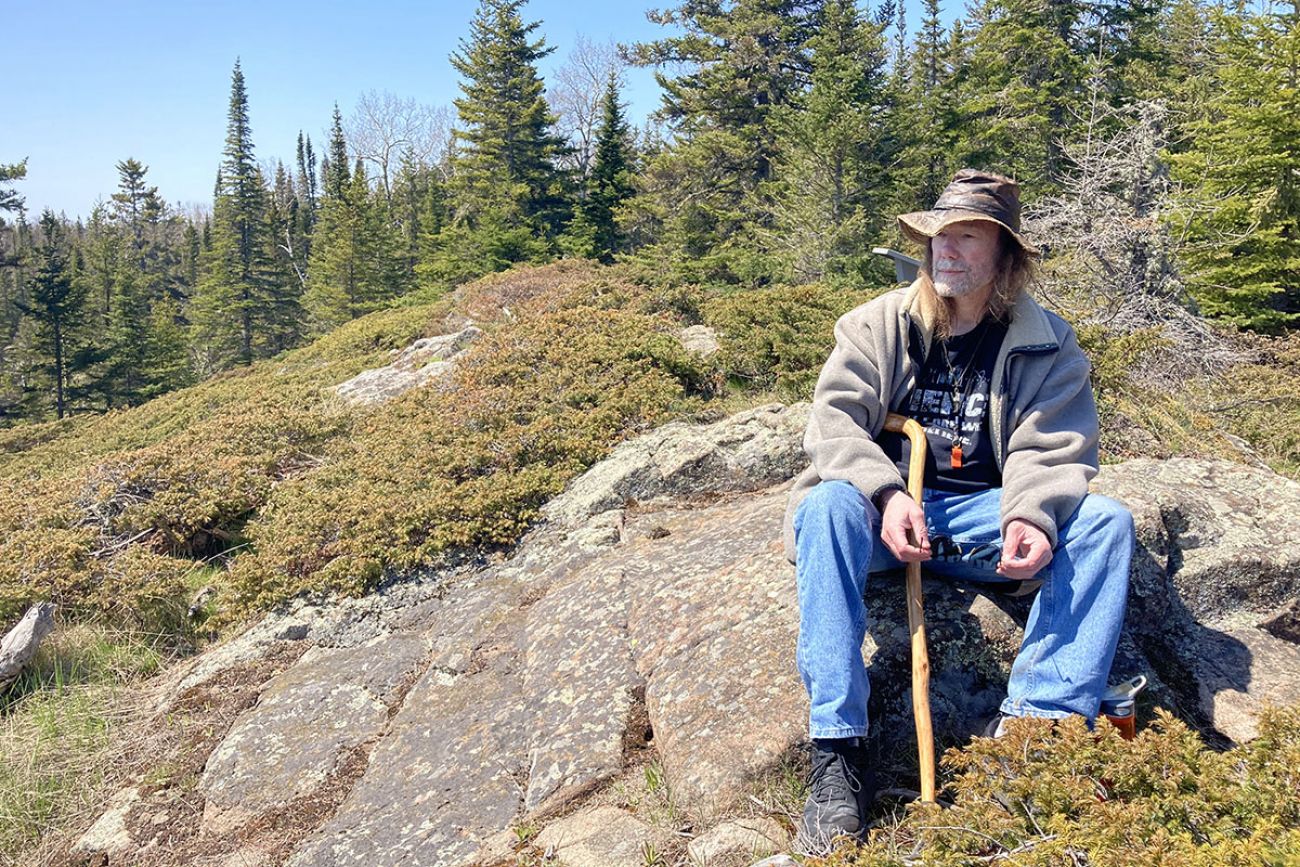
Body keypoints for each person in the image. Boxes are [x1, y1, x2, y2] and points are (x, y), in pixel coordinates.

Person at [780, 169, 1135, 847]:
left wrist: (1031, 514)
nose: (947, 249)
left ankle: (1036, 733)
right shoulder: (876, 325)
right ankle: (837, 753)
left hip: (982, 521)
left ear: (1005, 257)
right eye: (940, 235)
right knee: (825, 507)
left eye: (968, 238)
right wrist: (884, 494)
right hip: (886, 518)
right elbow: (833, 427)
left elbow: (1052, 446)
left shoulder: (1047, 343)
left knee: (1104, 524)